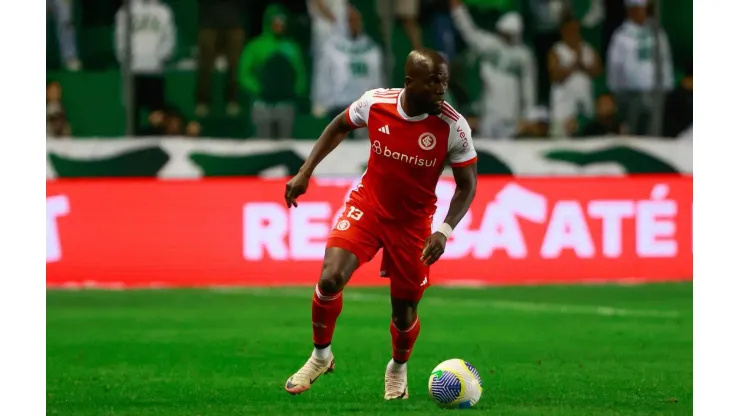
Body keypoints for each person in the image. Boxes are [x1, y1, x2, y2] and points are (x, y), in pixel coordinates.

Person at [283, 49, 478, 400]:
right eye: (434, 82)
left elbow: (468, 185)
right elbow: (339, 125)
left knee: (404, 313)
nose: (441, 90)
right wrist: (304, 171)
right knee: (329, 279)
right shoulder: (376, 103)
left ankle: (397, 369)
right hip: (368, 206)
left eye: (445, 82)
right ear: (410, 83)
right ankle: (320, 357)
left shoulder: (453, 126)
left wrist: (444, 230)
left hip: (413, 224)